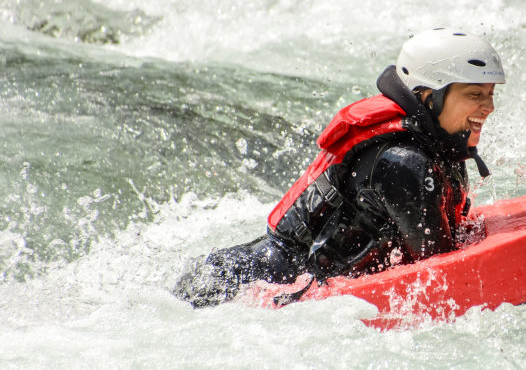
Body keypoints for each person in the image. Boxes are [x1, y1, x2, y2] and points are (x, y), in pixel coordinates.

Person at [173, 28, 505, 307]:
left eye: (490, 94)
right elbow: (443, 274)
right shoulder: (404, 165)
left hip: (260, 277)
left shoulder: (442, 145)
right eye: (475, 94)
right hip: (237, 289)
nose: (488, 108)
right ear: (429, 96)